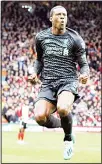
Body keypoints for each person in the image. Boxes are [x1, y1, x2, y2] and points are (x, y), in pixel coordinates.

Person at [28, 5, 90, 160]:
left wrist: (84, 74)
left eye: (65, 15)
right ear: (51, 18)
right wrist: (34, 73)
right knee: (40, 117)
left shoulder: (75, 39)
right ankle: (65, 125)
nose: (62, 18)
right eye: (59, 15)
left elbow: (84, 64)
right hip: (48, 83)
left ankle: (68, 139)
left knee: (63, 108)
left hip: (68, 81)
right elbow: (39, 61)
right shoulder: (41, 38)